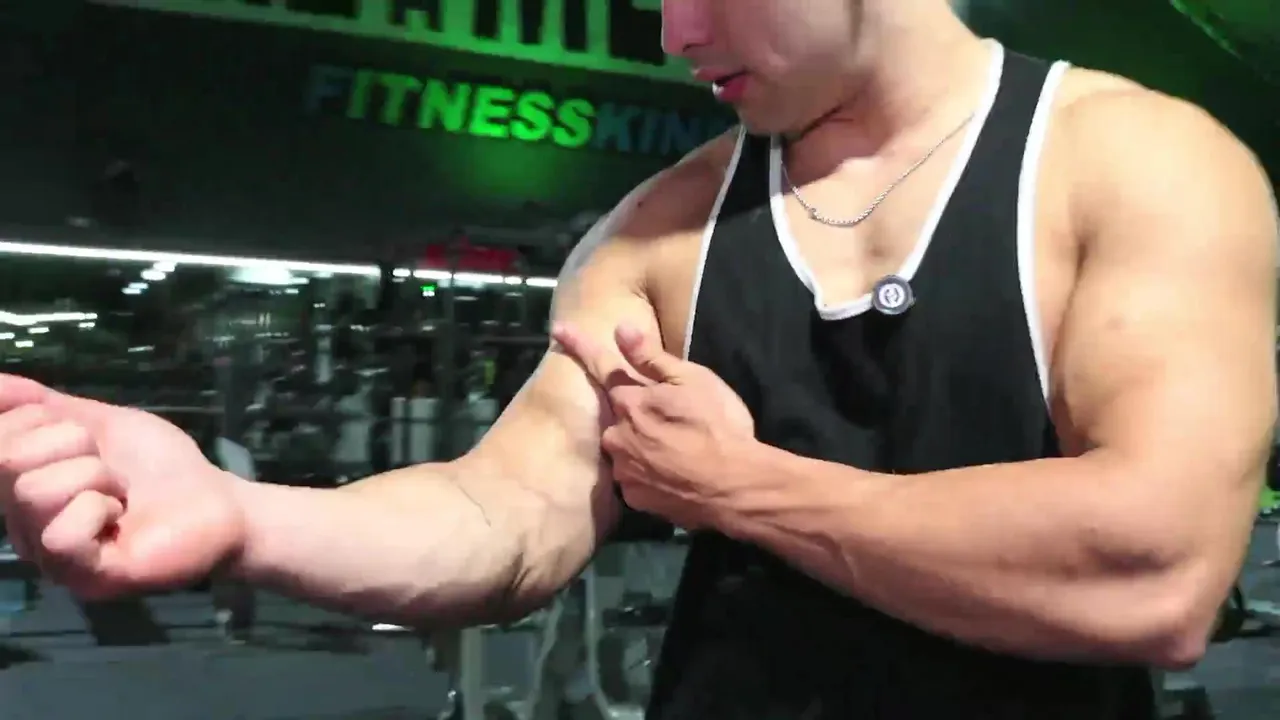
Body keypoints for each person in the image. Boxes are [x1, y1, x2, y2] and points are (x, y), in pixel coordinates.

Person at [1, 0, 1276, 716]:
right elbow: (501, 518)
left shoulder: (1131, 162)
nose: (671, 30)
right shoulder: (657, 232)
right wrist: (241, 514)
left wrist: (742, 490)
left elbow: (1156, 570)